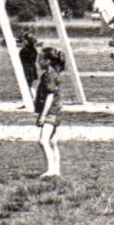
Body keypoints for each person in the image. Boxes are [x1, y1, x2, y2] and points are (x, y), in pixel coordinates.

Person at [34, 46, 65, 177]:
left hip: (50, 112)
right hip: (55, 111)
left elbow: (50, 96)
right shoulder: (52, 73)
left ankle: (51, 170)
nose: (38, 62)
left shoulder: (49, 76)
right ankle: (56, 170)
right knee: (52, 142)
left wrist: (43, 115)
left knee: (43, 141)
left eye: (40, 59)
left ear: (47, 61)